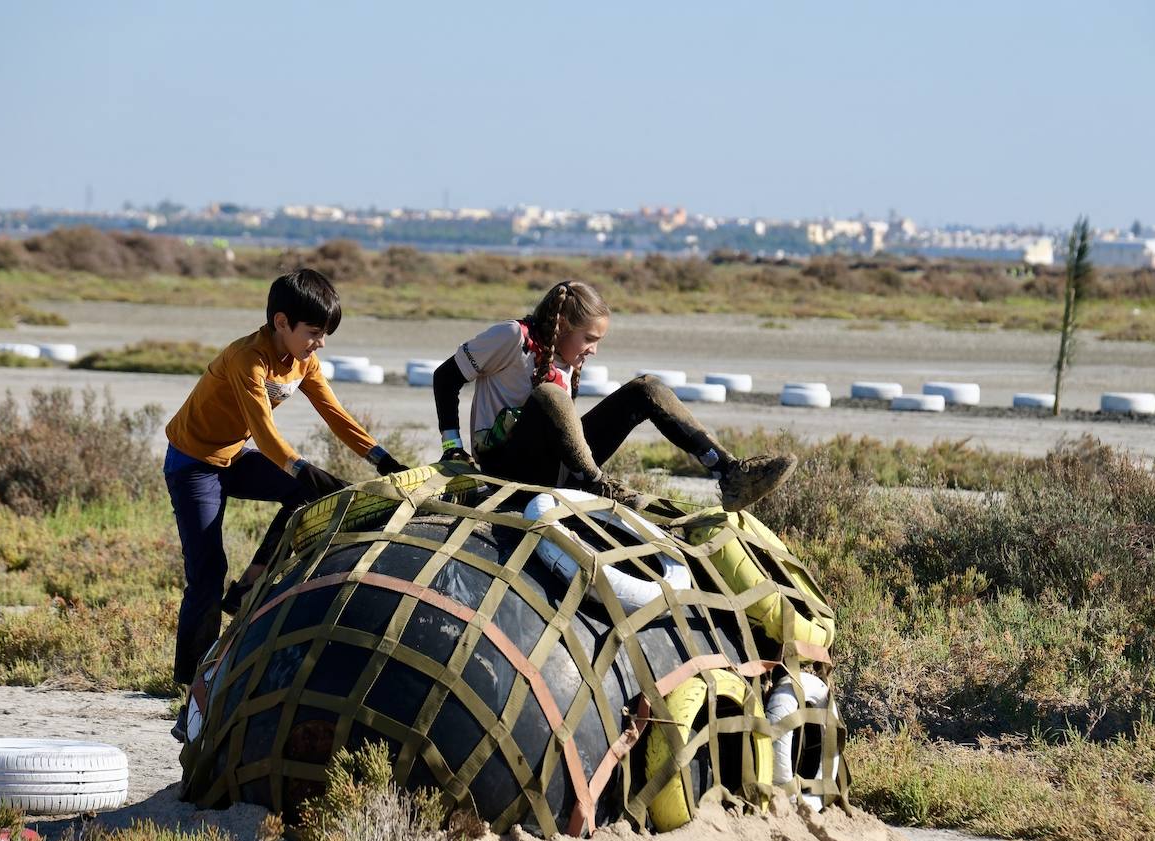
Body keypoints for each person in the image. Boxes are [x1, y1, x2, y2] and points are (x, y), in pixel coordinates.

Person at [164, 268, 407, 696]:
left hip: (234, 456)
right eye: (314, 332)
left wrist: (382, 458)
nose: (321, 343)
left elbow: (336, 414)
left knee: (302, 493)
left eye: (325, 334)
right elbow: (263, 430)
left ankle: (250, 585)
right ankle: (188, 680)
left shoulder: (304, 361)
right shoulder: (247, 359)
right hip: (194, 463)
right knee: (207, 572)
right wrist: (302, 467)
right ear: (281, 322)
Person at [432, 279, 796, 510]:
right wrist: (453, 448)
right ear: (561, 326)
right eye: (589, 339)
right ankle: (597, 486)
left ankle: (731, 473)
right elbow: (445, 377)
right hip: (507, 468)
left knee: (645, 388)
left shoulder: (567, 356)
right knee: (549, 397)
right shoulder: (512, 337)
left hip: (556, 465)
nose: (593, 350)